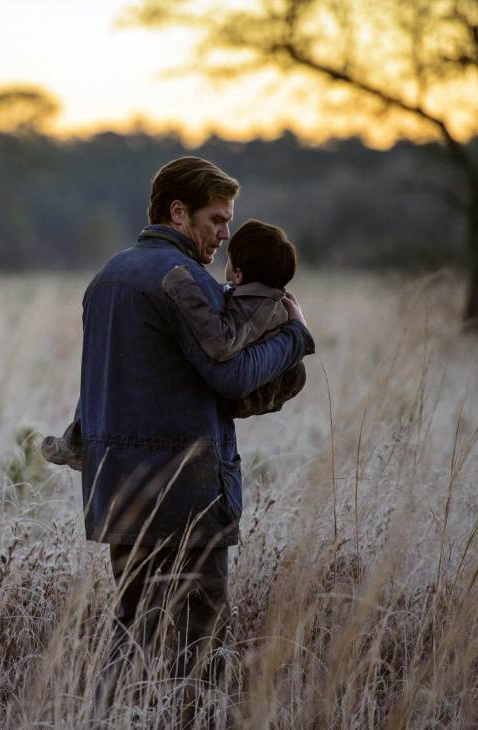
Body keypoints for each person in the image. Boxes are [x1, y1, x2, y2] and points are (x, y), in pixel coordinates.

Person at [54, 157, 315, 713]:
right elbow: (230, 373)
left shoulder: (108, 276)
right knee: (200, 646)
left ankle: (109, 720)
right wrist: (295, 337)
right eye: (217, 220)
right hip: (187, 496)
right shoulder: (182, 278)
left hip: (118, 490)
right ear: (179, 212)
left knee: (134, 630)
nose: (225, 236)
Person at [43, 218, 308, 469]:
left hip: (244, 396)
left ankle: (78, 439)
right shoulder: (256, 299)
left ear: (238, 274)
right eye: (217, 220)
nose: (224, 233)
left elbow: (223, 345)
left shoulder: (258, 306)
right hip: (228, 402)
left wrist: (184, 288)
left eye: (229, 258)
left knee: (115, 373)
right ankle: (77, 437)